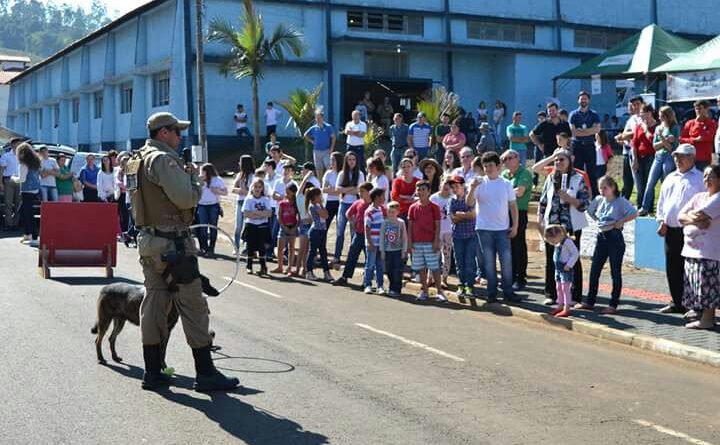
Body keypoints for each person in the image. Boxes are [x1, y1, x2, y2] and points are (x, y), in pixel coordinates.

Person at [126, 111, 238, 391]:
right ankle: (206, 372)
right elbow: (186, 198)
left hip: (149, 241)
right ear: (163, 133)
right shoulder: (163, 159)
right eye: (176, 131)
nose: (180, 136)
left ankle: (152, 371)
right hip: (172, 243)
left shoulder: (136, 159)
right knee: (193, 305)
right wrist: (194, 180)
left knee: (154, 302)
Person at [655, 143, 705, 314]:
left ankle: (694, 305)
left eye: (681, 156)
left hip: (692, 231)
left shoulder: (700, 179)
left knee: (691, 268)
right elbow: (662, 202)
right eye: (676, 156)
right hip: (671, 229)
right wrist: (661, 220)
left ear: (692, 158)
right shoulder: (670, 178)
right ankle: (677, 301)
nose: (677, 159)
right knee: (672, 267)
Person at [537, 148, 590, 305]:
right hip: (552, 225)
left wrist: (570, 199)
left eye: (562, 160)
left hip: (570, 226)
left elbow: (585, 203)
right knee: (551, 258)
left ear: (569, 161)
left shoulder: (578, 178)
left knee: (573, 259)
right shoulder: (551, 177)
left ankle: (575, 296)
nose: (558, 163)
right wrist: (540, 221)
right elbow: (543, 201)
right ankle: (551, 294)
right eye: (556, 160)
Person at [578, 175, 637, 313]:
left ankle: (613, 304)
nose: (602, 190)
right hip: (602, 236)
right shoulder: (599, 200)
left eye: (605, 187)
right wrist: (597, 219)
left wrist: (621, 221)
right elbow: (590, 211)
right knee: (594, 270)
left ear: (613, 187)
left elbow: (634, 213)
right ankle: (590, 301)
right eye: (600, 187)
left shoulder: (620, 201)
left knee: (615, 271)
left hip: (615, 236)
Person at [466, 151, 519, 303]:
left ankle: (508, 292)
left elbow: (513, 207)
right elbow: (469, 203)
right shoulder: (479, 183)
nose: (488, 169)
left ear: (498, 166)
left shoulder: (506, 184)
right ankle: (491, 292)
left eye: (491, 165)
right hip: (484, 229)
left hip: (502, 229)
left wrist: (514, 226)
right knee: (488, 263)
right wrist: (472, 188)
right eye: (485, 166)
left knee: (506, 262)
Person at [678, 164, 720, 329]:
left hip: (710, 251)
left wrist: (693, 217)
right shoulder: (699, 197)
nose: (706, 179)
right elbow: (680, 216)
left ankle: (707, 320)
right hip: (692, 251)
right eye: (705, 176)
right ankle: (702, 316)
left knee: (708, 286)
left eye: (711, 176)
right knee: (696, 286)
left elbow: (702, 213)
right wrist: (695, 220)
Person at [408, 180, 447, 302]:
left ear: (429, 191)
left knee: (434, 267)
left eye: (424, 189)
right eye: (418, 189)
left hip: (430, 242)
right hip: (417, 242)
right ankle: (424, 291)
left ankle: (439, 292)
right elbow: (410, 226)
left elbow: (438, 226)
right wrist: (410, 242)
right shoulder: (413, 208)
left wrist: (436, 241)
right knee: (421, 267)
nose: (421, 192)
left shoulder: (434, 207)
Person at [501, 149, 533, 291]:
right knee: (507, 247)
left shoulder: (524, 173)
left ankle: (520, 278)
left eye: (510, 158)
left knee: (518, 245)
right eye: (505, 159)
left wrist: (503, 193)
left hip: (519, 211)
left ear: (518, 158)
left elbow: (520, 192)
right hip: (504, 212)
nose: (507, 161)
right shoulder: (504, 174)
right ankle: (510, 277)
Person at [640, 105, 679, 216]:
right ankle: (645, 207)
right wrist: (664, 140)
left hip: (669, 157)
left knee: (666, 183)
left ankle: (665, 208)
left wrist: (662, 138)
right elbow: (655, 146)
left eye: (662, 116)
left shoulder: (674, 127)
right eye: (659, 115)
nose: (660, 118)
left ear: (668, 116)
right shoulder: (658, 128)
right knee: (650, 183)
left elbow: (671, 148)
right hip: (658, 157)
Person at [332, 182, 373, 286]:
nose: (360, 193)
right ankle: (345, 277)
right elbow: (348, 214)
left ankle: (367, 281)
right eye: (359, 191)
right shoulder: (358, 203)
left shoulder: (374, 205)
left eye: (362, 191)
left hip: (370, 236)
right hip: (358, 234)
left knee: (370, 258)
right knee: (352, 256)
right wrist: (353, 222)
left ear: (369, 192)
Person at [447, 175, 477, 297]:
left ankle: (469, 285)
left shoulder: (469, 198)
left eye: (457, 186)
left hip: (471, 234)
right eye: (453, 187)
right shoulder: (452, 200)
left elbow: (473, 215)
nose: (455, 189)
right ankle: (461, 284)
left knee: (469, 261)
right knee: (459, 261)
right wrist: (465, 214)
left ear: (463, 186)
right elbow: (453, 218)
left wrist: (461, 215)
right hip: (457, 235)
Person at [334, 151, 365, 263]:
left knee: (354, 231)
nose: (351, 162)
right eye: (349, 160)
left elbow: (359, 190)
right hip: (343, 204)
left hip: (355, 205)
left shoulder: (360, 174)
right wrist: (351, 188)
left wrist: (345, 189)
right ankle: (337, 256)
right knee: (340, 231)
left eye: (353, 160)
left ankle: (352, 257)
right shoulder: (342, 174)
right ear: (346, 161)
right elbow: (337, 189)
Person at [569, 91, 601, 196]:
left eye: (585, 98)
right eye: (581, 98)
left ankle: (595, 197)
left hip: (590, 146)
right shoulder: (573, 114)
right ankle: (577, 194)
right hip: (577, 146)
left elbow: (597, 129)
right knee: (577, 171)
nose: (583, 100)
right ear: (578, 100)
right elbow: (573, 131)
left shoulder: (594, 114)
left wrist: (581, 131)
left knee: (592, 172)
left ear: (589, 100)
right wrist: (588, 130)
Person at [543, 224, 579, 318]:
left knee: (565, 288)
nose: (552, 243)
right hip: (558, 269)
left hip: (565, 268)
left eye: (552, 240)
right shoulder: (558, 243)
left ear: (558, 235)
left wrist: (569, 264)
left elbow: (575, 253)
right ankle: (560, 305)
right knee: (558, 287)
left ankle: (566, 308)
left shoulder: (567, 242)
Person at [614, 96, 644, 200]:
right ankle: (623, 202)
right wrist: (621, 137)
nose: (635, 107)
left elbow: (635, 133)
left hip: (638, 153)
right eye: (633, 105)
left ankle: (642, 205)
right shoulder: (632, 118)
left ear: (642, 104)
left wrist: (624, 136)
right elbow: (624, 134)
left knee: (639, 182)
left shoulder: (644, 117)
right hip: (627, 152)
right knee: (627, 180)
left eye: (637, 104)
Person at [195, 163, 227, 257]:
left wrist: (217, 191)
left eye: (203, 171)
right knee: (203, 228)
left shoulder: (217, 180)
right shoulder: (199, 180)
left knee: (213, 227)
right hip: (201, 205)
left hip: (213, 205)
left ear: (207, 172)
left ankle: (211, 248)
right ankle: (204, 248)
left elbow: (225, 192)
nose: (201, 173)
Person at [631, 104, 659, 211]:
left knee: (649, 184)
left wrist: (647, 129)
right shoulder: (639, 126)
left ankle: (649, 208)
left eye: (645, 114)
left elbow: (654, 142)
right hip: (639, 157)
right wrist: (634, 159)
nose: (643, 117)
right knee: (639, 185)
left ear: (650, 113)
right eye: (641, 115)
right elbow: (634, 143)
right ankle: (640, 207)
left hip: (651, 157)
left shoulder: (657, 127)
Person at [12, 143, 40, 246]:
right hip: (35, 190)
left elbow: (22, 179)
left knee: (28, 214)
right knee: (23, 212)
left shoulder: (23, 164)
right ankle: (28, 233)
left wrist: (13, 178)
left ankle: (34, 237)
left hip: (27, 191)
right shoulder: (35, 162)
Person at [243, 178, 272, 275]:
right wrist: (261, 214)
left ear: (262, 188)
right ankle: (249, 266)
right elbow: (247, 214)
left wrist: (255, 213)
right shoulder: (248, 199)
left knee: (261, 247)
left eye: (259, 187)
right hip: (251, 225)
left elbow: (269, 213)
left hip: (262, 226)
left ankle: (263, 267)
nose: (257, 189)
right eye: (255, 187)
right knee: (250, 246)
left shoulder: (265, 199)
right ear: (252, 187)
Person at [379, 201, 408, 297]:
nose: (391, 214)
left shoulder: (401, 222)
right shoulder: (384, 223)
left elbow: (404, 237)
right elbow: (382, 237)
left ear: (398, 212)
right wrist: (382, 250)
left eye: (393, 212)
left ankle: (396, 289)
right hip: (387, 251)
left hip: (398, 251)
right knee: (388, 270)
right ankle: (392, 286)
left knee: (397, 270)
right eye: (389, 211)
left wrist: (404, 250)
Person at [680, 100, 717, 170]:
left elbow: (706, 137)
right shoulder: (689, 123)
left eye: (700, 108)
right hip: (689, 157)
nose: (697, 111)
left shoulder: (712, 123)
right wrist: (693, 140)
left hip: (703, 158)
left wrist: (699, 123)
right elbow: (681, 139)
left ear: (706, 109)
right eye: (696, 109)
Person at [305, 186, 333, 281]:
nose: (321, 197)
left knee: (323, 252)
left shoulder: (320, 206)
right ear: (315, 197)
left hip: (322, 231)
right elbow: (324, 215)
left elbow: (327, 215)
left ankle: (326, 272)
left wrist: (321, 205)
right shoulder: (313, 206)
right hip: (316, 232)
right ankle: (309, 271)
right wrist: (321, 205)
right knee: (312, 252)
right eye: (319, 195)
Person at [430, 177, 453, 289]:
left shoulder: (453, 198)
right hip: (436, 231)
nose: (447, 186)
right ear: (441, 184)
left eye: (449, 184)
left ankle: (444, 278)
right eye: (445, 183)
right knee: (434, 254)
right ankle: (431, 278)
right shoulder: (434, 198)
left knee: (446, 255)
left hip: (449, 231)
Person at [271, 183, 299, 276]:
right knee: (280, 248)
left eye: (289, 193)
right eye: (286, 192)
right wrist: (283, 226)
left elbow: (298, 216)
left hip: (293, 228)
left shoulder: (296, 204)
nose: (286, 194)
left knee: (291, 248)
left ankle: (289, 267)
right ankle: (280, 266)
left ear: (294, 193)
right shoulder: (282, 202)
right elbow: (279, 216)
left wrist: (295, 227)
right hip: (283, 227)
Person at [363, 188, 387, 294]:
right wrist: (369, 242)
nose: (384, 198)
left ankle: (380, 286)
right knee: (370, 265)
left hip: (380, 243)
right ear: (377, 197)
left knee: (380, 265)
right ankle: (367, 284)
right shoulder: (369, 211)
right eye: (382, 196)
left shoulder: (382, 210)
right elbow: (367, 228)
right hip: (373, 243)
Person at [303, 110, 337, 179]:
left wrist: (331, 148)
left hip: (326, 150)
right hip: (316, 151)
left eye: (319, 118)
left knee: (328, 167)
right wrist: (312, 141)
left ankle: (328, 182)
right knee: (318, 169)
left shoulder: (328, 127)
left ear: (322, 118)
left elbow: (333, 137)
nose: (318, 119)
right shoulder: (313, 128)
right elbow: (305, 135)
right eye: (316, 118)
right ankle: (320, 185)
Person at [232, 155, 255, 249]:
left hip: (249, 203)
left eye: (240, 162)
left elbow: (252, 191)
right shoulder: (239, 175)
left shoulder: (252, 176)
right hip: (240, 201)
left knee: (247, 226)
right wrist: (242, 190)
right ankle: (236, 247)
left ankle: (247, 247)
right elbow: (233, 189)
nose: (239, 163)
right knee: (238, 227)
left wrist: (242, 191)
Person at [0, 138, 22, 229]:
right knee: (8, 203)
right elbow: (1, 170)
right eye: (18, 144)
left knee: (19, 203)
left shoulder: (22, 156)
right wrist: (0, 183)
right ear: (12, 145)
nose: (19, 146)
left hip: (20, 181)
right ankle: (8, 224)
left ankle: (16, 224)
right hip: (8, 181)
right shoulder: (6, 156)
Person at [322, 151, 343, 232]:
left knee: (340, 229)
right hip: (329, 202)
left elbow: (343, 190)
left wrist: (332, 189)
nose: (331, 162)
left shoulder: (343, 173)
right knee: (324, 227)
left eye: (333, 160)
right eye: (331, 160)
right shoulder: (328, 173)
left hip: (340, 202)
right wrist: (337, 190)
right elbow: (324, 189)